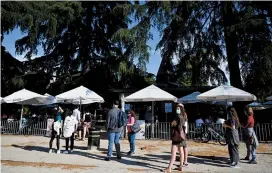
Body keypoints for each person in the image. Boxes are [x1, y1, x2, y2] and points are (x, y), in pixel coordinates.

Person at [165, 104, 186, 173]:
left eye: (178, 109)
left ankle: (169, 168)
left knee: (173, 153)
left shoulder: (178, 117)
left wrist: (173, 123)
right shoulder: (183, 116)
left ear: (181, 109)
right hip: (182, 137)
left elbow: (173, 124)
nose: (177, 110)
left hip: (176, 136)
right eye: (176, 109)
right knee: (181, 152)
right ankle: (180, 167)